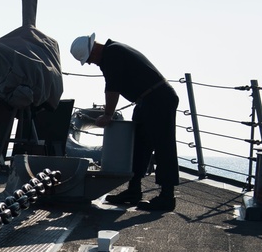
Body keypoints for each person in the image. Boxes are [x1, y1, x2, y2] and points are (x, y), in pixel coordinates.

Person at [70, 33, 180, 211]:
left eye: (88, 59)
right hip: (147, 100)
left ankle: (167, 197)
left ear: (93, 50)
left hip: (158, 99)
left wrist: (107, 115)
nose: (90, 63)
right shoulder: (114, 52)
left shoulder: (112, 54)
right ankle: (133, 191)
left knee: (163, 147)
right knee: (139, 147)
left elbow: (112, 87)